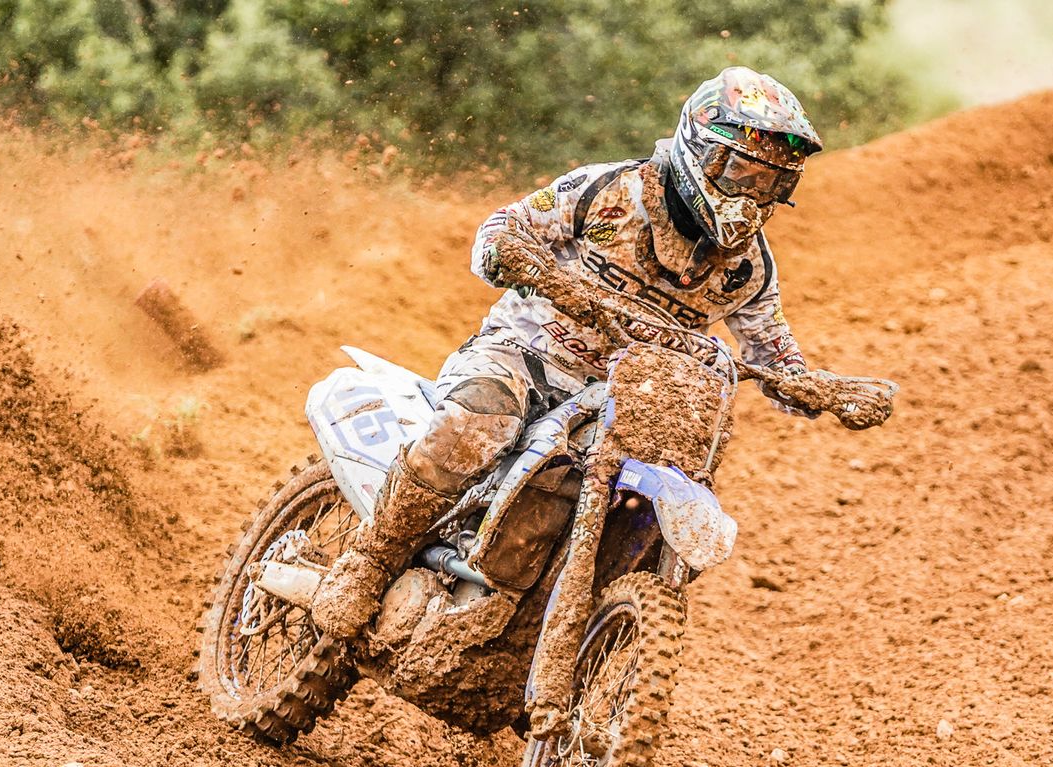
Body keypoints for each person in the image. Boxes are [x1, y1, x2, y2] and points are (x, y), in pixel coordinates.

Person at [312, 66, 824, 639]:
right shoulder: (610, 191)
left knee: (659, 504)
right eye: (743, 172)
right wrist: (535, 269)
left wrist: (815, 388)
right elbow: (500, 230)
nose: (754, 194)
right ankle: (371, 559)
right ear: (699, 150)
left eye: (773, 183)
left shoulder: (749, 268)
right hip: (524, 355)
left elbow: (772, 348)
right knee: (474, 426)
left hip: (628, 403)